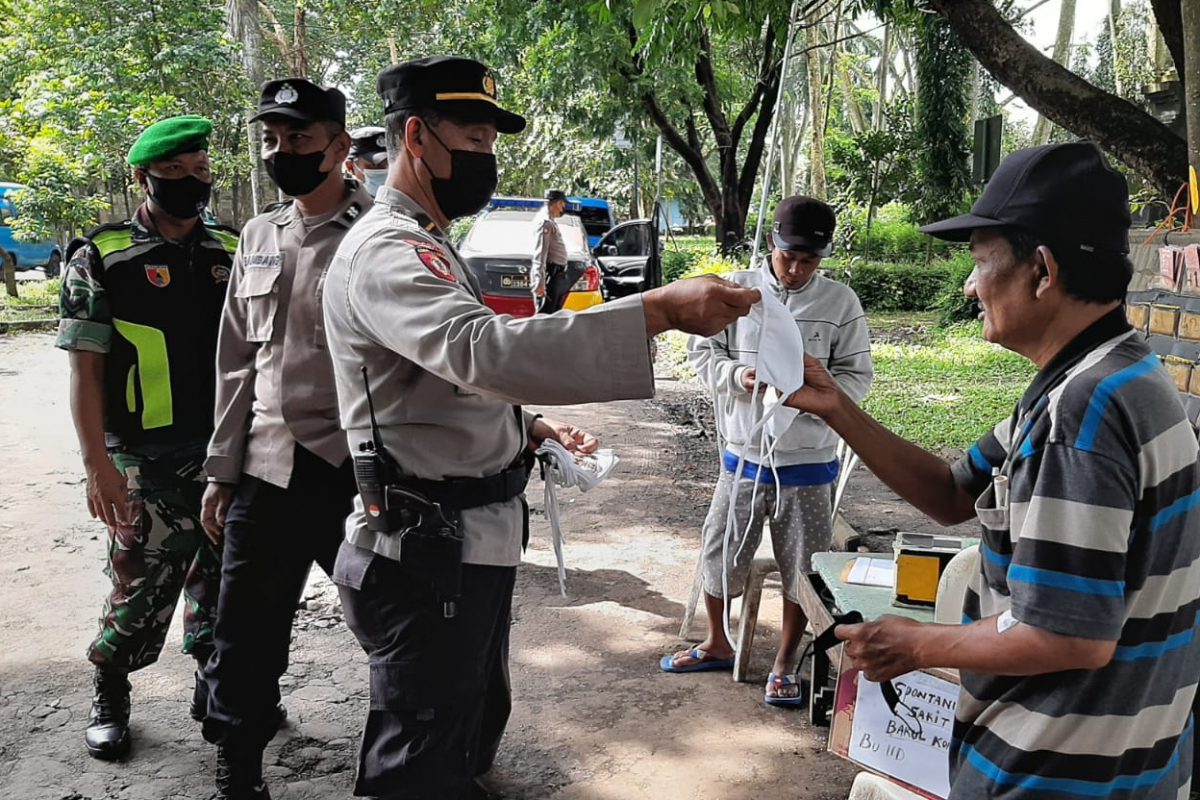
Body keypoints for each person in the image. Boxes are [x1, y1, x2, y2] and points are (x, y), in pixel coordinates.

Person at [321, 56, 759, 800]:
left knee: (468, 720)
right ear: (418, 136)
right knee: (416, 763)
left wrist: (527, 427)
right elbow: (479, 351)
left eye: (494, 138)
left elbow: (437, 384)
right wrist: (657, 310)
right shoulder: (387, 251)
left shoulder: (429, 237)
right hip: (425, 554)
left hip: (466, 545)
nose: (488, 156)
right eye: (476, 135)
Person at [786, 142, 1200, 798]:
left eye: (981, 262)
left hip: (1055, 774)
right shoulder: (1103, 375)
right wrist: (836, 407)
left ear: (1041, 269)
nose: (968, 286)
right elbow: (953, 493)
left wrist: (919, 646)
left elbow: (1065, 634)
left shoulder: (1086, 413)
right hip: (1126, 765)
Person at [198, 78, 373, 800]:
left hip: (359, 470)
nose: (283, 151)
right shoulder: (258, 234)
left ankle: (436, 751)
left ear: (338, 145)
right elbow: (238, 357)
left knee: (398, 619)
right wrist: (221, 467)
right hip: (269, 466)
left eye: (298, 138)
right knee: (244, 630)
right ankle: (238, 764)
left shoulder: (380, 231)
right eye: (272, 139)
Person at [56, 114, 237, 760]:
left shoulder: (230, 251)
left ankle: (214, 687)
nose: (192, 184)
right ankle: (111, 683)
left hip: (223, 450)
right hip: (143, 455)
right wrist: (97, 465)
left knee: (222, 583)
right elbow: (86, 369)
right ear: (144, 177)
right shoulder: (103, 256)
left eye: (201, 172)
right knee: (139, 583)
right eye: (175, 173)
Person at [661, 196, 872, 707]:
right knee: (720, 547)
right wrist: (739, 375)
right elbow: (702, 352)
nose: (796, 270)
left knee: (803, 565)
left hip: (807, 460)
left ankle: (784, 663)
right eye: (787, 258)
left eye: (809, 260)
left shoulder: (840, 303)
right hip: (743, 452)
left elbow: (858, 378)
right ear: (770, 247)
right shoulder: (736, 291)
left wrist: (814, 396)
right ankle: (715, 641)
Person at [530, 188, 572, 313]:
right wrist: (540, 282)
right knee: (545, 317)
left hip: (555, 275)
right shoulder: (545, 223)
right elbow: (540, 254)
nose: (563, 207)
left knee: (552, 316)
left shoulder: (549, 220)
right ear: (555, 203)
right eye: (562, 203)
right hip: (550, 275)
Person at [345, 125, 389, 196]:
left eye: (390, 163)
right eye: (376, 165)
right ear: (350, 167)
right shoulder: (342, 204)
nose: (387, 170)